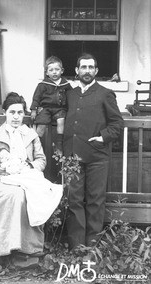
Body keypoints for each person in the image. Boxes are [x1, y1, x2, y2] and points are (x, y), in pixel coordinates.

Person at [0, 92, 62, 267]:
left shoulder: (30, 135)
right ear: (5, 114)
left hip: (26, 178)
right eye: (12, 112)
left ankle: (26, 251)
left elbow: (41, 160)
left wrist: (28, 167)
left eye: (20, 112)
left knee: (30, 194)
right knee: (16, 195)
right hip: (1, 180)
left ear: (24, 114)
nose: (16, 117)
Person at [63, 53, 124, 248]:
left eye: (91, 67)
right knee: (74, 201)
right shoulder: (70, 94)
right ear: (77, 70)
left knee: (95, 201)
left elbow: (117, 123)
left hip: (97, 156)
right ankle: (77, 246)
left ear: (96, 71)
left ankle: (92, 246)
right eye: (83, 67)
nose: (87, 71)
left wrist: (102, 137)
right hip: (73, 156)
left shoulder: (105, 93)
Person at [30, 56, 72, 155]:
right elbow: (36, 97)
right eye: (51, 70)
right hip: (46, 108)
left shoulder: (65, 84)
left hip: (60, 109)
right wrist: (33, 110)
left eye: (57, 69)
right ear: (47, 72)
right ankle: (35, 145)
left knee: (61, 121)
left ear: (62, 71)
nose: (54, 72)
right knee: (42, 125)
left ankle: (59, 144)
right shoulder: (43, 85)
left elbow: (71, 96)